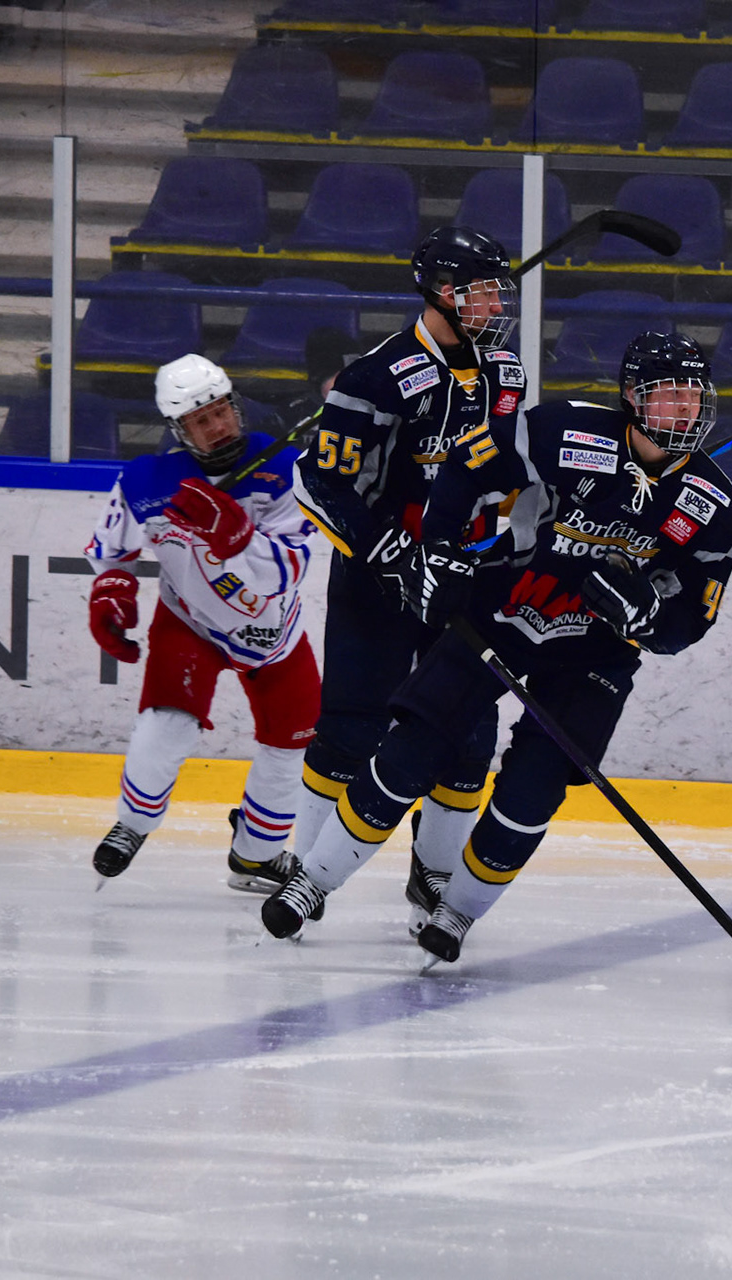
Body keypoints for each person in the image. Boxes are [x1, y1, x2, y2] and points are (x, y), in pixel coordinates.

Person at [263, 333, 732, 967]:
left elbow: (688, 625)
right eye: (669, 395)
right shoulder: (565, 430)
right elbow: (468, 465)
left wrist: (646, 614)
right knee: (412, 749)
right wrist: (441, 550)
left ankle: (457, 912)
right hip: (504, 613)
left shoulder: (715, 505)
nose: (685, 409)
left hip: (593, 657)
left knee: (533, 792)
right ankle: (313, 882)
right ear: (632, 397)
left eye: (694, 397)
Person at [291, 225, 526, 929]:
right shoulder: (375, 377)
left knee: (469, 733)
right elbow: (318, 484)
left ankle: (434, 876)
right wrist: (387, 552)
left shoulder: (505, 372)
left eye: (499, 292)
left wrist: (503, 537)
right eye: (484, 292)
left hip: (463, 578)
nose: (497, 305)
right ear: (444, 293)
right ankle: (306, 873)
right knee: (350, 729)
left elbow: (504, 475)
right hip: (378, 579)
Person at [86, 354, 319, 889]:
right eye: (200, 420)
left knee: (292, 745)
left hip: (275, 634)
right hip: (190, 622)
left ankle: (256, 856)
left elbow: (289, 570)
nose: (217, 426)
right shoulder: (147, 481)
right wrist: (113, 591)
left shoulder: (287, 470)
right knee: (167, 721)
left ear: (235, 406)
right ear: (179, 429)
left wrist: (241, 538)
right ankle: (132, 823)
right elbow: (111, 550)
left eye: (220, 412)